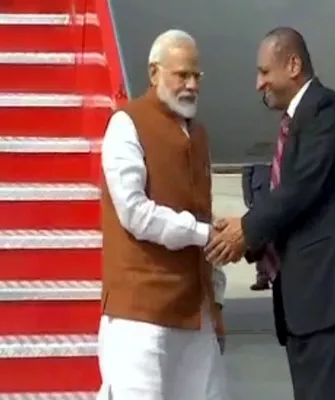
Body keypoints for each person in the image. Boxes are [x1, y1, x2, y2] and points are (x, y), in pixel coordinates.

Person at [205, 27, 335, 400]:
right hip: (307, 304)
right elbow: (289, 200)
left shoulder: (324, 108)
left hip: (330, 300)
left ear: (294, 65)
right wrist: (243, 235)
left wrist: (246, 230)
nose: (258, 84)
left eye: (265, 71)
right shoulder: (298, 121)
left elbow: (300, 188)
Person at [96, 29, 229, 400]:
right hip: (141, 316)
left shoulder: (198, 135)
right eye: (181, 75)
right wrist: (204, 233)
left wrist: (215, 298)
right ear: (154, 73)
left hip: (195, 312)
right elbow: (135, 213)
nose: (191, 85)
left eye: (196, 76)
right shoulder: (126, 124)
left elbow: (204, 210)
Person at [241, 163, 274, 291]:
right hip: (260, 192)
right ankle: (263, 276)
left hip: (281, 188)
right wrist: (248, 195)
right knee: (261, 236)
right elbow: (247, 169)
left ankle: (279, 274)